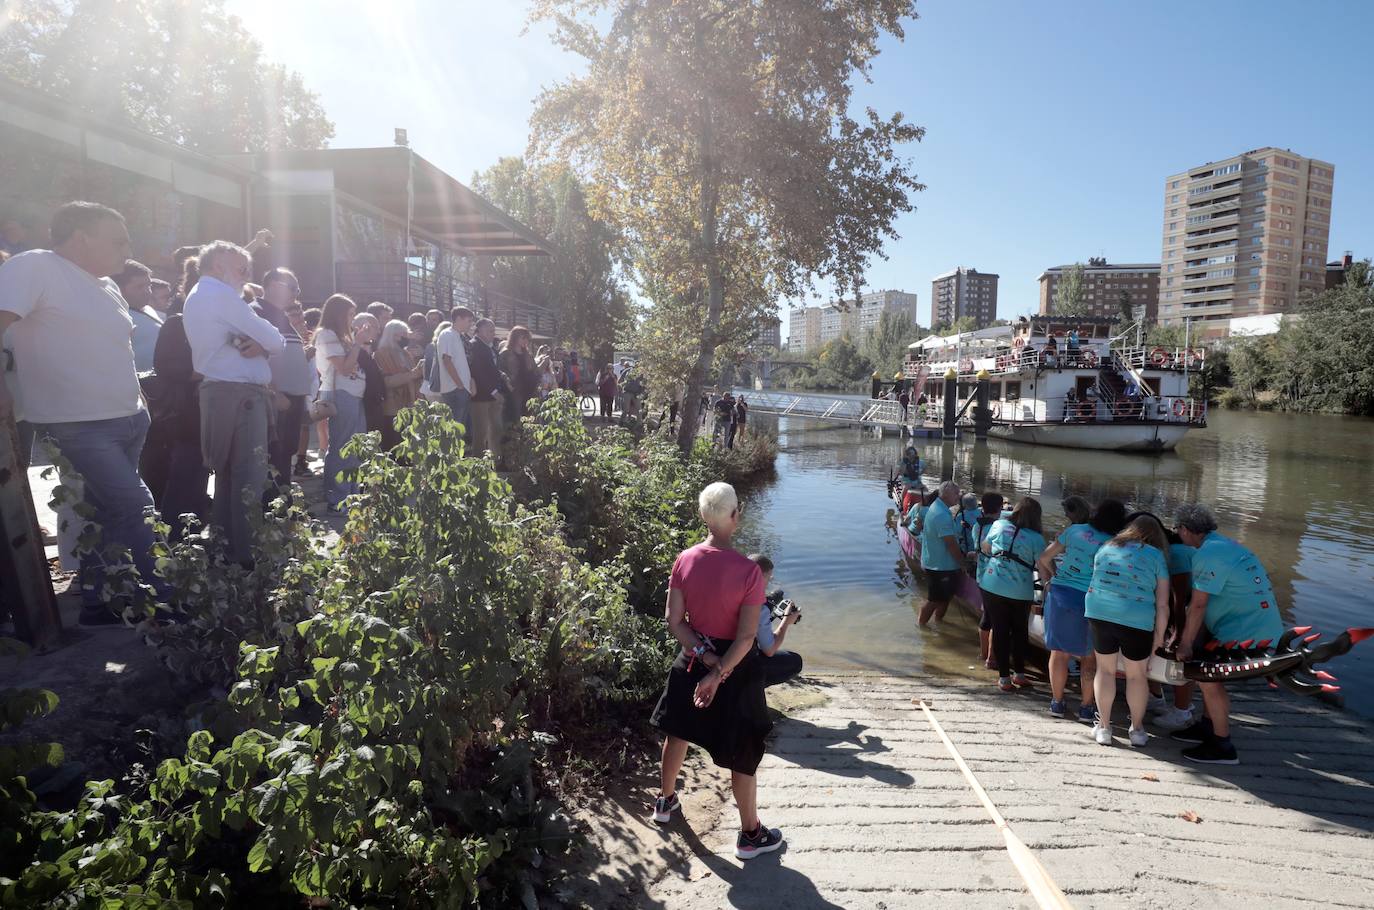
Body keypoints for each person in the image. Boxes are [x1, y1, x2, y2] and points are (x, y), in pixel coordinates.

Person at [0, 201, 172, 623]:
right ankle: (177, 601)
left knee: (105, 513)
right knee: (137, 506)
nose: (127, 249)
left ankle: (98, 602)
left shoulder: (107, 285)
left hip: (128, 418)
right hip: (77, 425)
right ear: (81, 237)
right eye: (118, 239)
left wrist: (140, 403)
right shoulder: (34, 267)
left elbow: (116, 349)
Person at [649, 482, 783, 861]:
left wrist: (705, 659)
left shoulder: (685, 560)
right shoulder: (748, 572)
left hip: (693, 654)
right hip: (735, 670)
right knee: (742, 752)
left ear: (703, 517)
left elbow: (673, 620)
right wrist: (719, 672)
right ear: (735, 517)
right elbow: (744, 639)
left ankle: (665, 800)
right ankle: (750, 835)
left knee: (678, 732)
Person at [182, 241, 284, 566]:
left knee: (228, 478)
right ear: (216, 266)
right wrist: (265, 344)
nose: (246, 275)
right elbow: (275, 338)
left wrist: (262, 345)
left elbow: (265, 341)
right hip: (239, 397)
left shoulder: (203, 294)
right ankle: (249, 558)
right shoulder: (220, 295)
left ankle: (226, 551)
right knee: (248, 479)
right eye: (241, 268)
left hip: (222, 393)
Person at [1170, 504, 1282, 765]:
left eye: (1178, 530)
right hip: (1258, 624)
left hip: (1245, 631)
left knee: (1209, 678)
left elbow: (1198, 604)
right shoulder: (1226, 544)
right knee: (1209, 676)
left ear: (1186, 530)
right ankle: (1208, 726)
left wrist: (1185, 643)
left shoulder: (1207, 555)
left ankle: (1222, 746)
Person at [1083, 514, 1171, 748]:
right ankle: (1138, 730)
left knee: (1105, 670)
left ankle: (1103, 727)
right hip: (1137, 617)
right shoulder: (1156, 556)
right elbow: (1163, 604)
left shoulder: (1106, 547)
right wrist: (1159, 638)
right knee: (1136, 675)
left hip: (1099, 610)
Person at [1038, 497, 1127, 722]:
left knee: (1059, 653)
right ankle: (1087, 708)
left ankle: (1057, 703)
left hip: (1061, 594)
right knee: (1089, 658)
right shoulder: (1115, 542)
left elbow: (1044, 557)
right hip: (1092, 599)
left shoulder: (1075, 531)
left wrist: (1053, 576)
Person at [253, 268, 313, 492]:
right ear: (275, 285)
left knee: (285, 453)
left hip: (290, 398)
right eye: (293, 288)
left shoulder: (279, 316)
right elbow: (253, 356)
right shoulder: (258, 312)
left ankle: (282, 505)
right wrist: (273, 392)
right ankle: (273, 510)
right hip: (277, 399)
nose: (296, 295)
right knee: (274, 456)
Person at [979, 497, 1045, 692]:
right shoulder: (1036, 538)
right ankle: (1020, 674)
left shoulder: (999, 525)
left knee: (1000, 630)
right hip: (1020, 590)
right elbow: (1042, 566)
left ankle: (1004, 679)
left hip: (992, 584)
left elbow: (985, 546)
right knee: (1019, 632)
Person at [314, 294, 368, 512]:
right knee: (341, 446)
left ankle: (351, 492)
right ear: (338, 314)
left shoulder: (343, 337)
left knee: (355, 446)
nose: (352, 319)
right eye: (350, 314)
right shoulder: (327, 334)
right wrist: (358, 343)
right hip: (340, 393)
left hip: (354, 394)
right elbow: (344, 368)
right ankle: (337, 497)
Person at [748, 555, 803, 687]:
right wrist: (786, 621)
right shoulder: (758, 608)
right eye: (768, 577)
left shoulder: (730, 593)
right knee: (795, 661)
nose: (770, 580)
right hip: (744, 666)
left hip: (719, 655)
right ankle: (755, 687)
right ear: (760, 577)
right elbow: (769, 650)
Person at [918, 481, 964, 627]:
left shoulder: (940, 508)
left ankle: (938, 622)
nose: (959, 496)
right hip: (938, 565)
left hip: (941, 563)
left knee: (945, 597)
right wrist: (963, 563)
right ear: (946, 495)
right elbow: (950, 543)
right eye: (956, 493)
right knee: (934, 599)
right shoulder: (941, 514)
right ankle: (921, 625)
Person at [374, 318, 424, 448]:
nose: (405, 337)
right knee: (394, 444)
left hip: (409, 404)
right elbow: (386, 381)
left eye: (405, 334)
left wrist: (419, 369)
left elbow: (414, 375)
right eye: (401, 334)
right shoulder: (381, 354)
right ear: (392, 334)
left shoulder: (406, 353)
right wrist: (412, 374)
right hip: (393, 406)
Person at [970, 491, 1005, 667]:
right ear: (999, 508)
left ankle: (984, 654)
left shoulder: (978, 526)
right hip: (995, 577)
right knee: (995, 619)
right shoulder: (999, 527)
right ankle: (992, 658)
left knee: (987, 615)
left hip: (981, 575)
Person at [467, 317, 509, 458]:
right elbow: (478, 372)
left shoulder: (488, 346)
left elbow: (491, 368)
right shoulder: (474, 345)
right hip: (481, 397)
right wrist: (494, 391)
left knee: (496, 430)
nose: (493, 333)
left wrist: (502, 376)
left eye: (493, 330)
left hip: (493, 395)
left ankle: (495, 461)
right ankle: (477, 463)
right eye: (490, 330)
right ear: (480, 330)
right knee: (481, 433)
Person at [114, 260, 162, 373]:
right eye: (139, 287)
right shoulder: (116, 317)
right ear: (119, 289)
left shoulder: (148, 309)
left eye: (149, 286)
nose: (148, 292)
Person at [434, 306, 475, 430]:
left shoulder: (458, 335)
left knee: (459, 429)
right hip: (455, 389)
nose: (470, 324)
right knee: (454, 430)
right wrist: (460, 385)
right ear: (458, 319)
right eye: (469, 321)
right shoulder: (447, 334)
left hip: (459, 388)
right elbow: (447, 361)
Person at [353, 313, 387, 440]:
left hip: (374, 402)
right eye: (375, 327)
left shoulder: (369, 348)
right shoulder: (353, 349)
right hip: (364, 403)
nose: (379, 331)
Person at [498, 325, 540, 423]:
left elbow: (535, 370)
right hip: (514, 391)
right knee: (515, 419)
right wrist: (508, 383)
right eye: (523, 338)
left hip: (529, 390)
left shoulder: (528, 354)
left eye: (527, 338)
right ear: (515, 337)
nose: (526, 341)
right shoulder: (505, 353)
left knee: (529, 418)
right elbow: (499, 371)